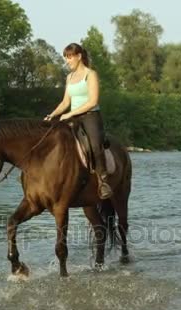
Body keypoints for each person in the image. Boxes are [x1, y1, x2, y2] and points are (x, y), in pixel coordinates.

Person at [44, 43, 112, 199]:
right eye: (66, 58)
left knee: (94, 146)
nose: (67, 61)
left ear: (79, 56)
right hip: (73, 117)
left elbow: (93, 101)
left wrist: (70, 114)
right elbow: (65, 103)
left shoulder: (91, 74)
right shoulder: (69, 77)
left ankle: (103, 181)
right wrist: (52, 115)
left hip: (90, 116)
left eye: (69, 57)